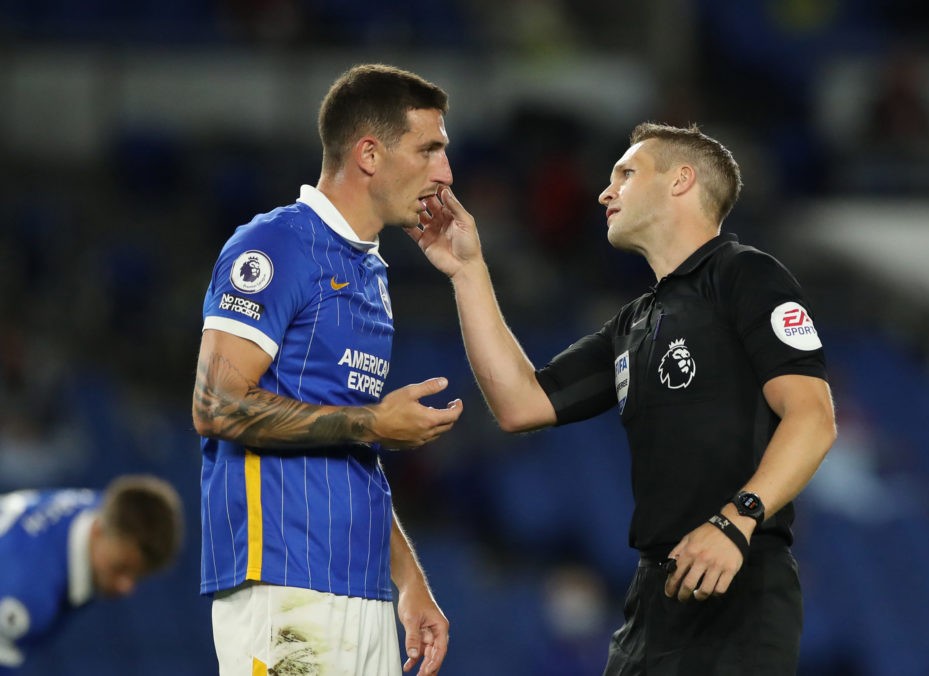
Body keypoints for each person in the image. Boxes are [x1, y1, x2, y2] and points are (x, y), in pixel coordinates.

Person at [413, 122, 837, 675]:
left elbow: (813, 417)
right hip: (653, 599)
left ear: (681, 181)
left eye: (626, 174)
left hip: (736, 583)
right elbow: (520, 405)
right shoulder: (633, 323)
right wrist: (468, 271)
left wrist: (737, 520)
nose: (604, 191)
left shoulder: (745, 275)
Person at [191, 63, 463, 676]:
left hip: (359, 589)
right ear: (369, 154)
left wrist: (407, 579)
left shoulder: (370, 273)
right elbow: (215, 405)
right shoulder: (276, 245)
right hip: (286, 585)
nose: (445, 173)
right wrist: (372, 420)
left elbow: (350, 443)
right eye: (429, 150)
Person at [0, 474, 183, 672]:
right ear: (97, 530)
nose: (126, 587)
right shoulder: (28, 596)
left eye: (138, 576)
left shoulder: (107, 510)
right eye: (120, 568)